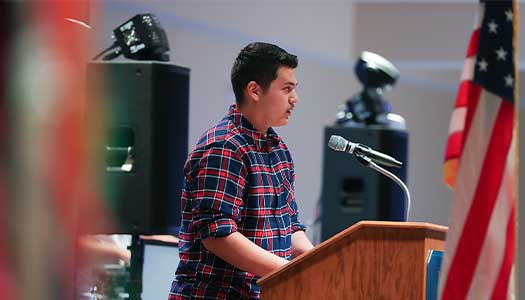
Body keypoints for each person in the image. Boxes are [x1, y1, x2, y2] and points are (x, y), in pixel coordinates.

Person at [169, 42, 314, 300]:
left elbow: (289, 227)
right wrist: (288, 271)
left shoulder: (278, 149)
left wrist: (320, 263)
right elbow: (218, 235)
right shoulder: (224, 145)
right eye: (287, 89)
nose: (295, 99)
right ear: (255, 90)